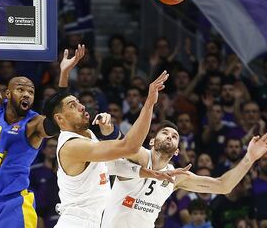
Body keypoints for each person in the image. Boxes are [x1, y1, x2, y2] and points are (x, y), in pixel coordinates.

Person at [0, 0, 85, 228]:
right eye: (21, 89)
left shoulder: (33, 124)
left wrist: (63, 78)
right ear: (7, 93)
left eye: (31, 91)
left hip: (13, 206)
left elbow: (59, 118)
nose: (27, 93)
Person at [43, 71, 189, 228]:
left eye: (79, 102)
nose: (82, 106)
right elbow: (130, 146)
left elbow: (111, 166)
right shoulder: (73, 146)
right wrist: (149, 103)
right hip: (77, 222)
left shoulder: (85, 134)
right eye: (74, 106)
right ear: (60, 119)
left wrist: (149, 173)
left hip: (93, 221)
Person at [101, 121, 267, 228]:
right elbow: (125, 146)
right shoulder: (141, 155)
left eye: (174, 136)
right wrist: (111, 130)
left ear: (177, 151)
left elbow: (223, 186)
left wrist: (250, 157)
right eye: (165, 133)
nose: (170, 137)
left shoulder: (177, 176)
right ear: (152, 141)